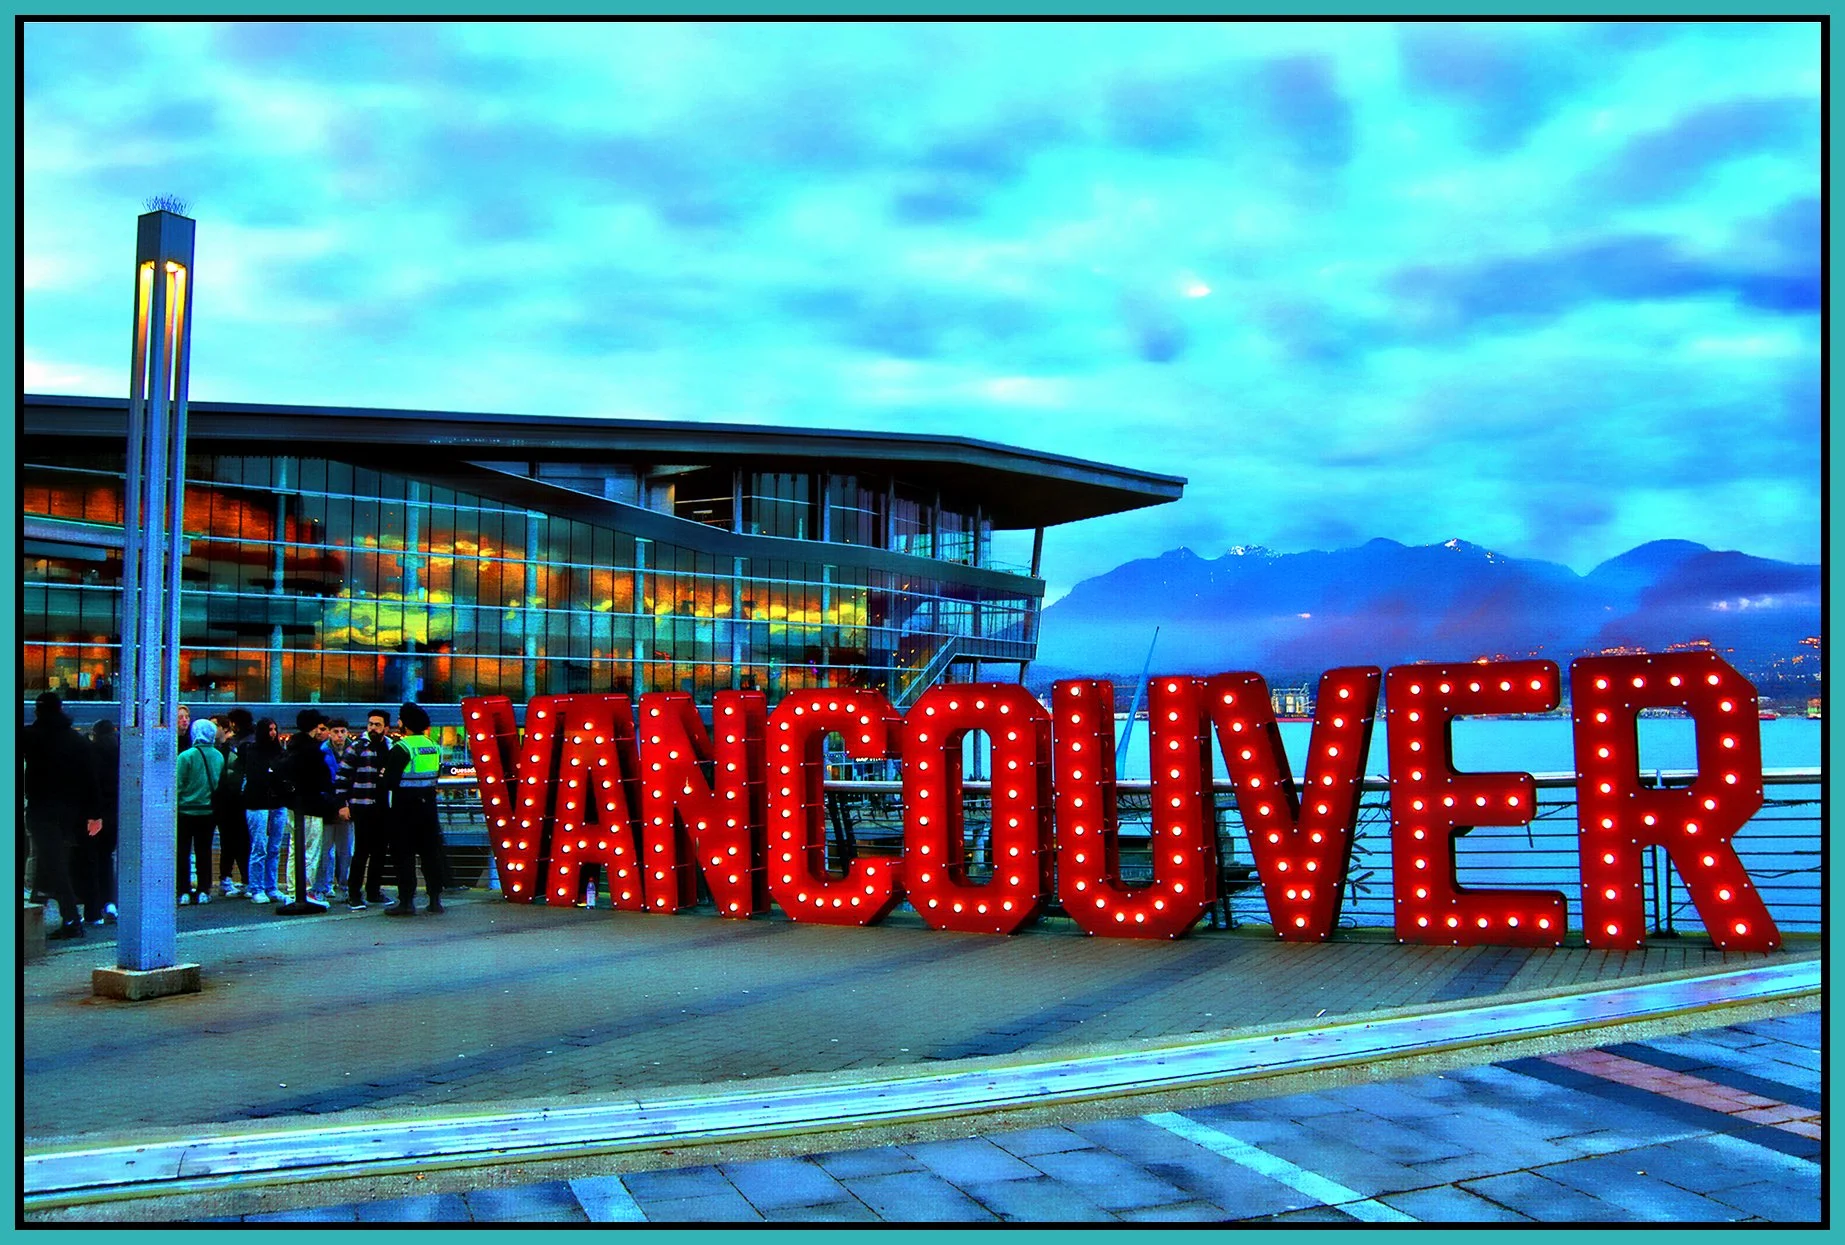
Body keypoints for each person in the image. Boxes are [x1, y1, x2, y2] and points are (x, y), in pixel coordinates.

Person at [21, 692, 102, 939]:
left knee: (52, 862)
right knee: (52, 859)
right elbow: (91, 779)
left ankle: (71, 919)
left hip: (41, 807)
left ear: (38, 710)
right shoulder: (76, 740)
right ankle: (40, 904)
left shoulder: (31, 737)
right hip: (70, 811)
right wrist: (94, 814)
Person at [380, 702, 444, 916]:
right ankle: (435, 900)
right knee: (431, 855)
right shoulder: (434, 746)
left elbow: (389, 781)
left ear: (405, 724)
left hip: (404, 810)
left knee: (404, 856)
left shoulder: (402, 748)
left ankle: (406, 902)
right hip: (428, 809)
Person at [284, 709, 344, 907]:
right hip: (311, 806)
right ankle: (305, 890)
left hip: (294, 805)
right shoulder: (312, 751)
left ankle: (293, 889)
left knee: (295, 849)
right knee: (310, 850)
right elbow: (322, 780)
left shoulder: (292, 746)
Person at [335, 710, 393, 910]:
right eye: (370, 724)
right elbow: (342, 776)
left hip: (383, 806)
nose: (373, 728)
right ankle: (354, 893)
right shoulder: (357, 748)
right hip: (362, 806)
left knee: (379, 852)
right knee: (361, 851)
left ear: (386, 727)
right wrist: (342, 804)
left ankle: (374, 891)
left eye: (377, 725)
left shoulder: (390, 746)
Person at [229, 718, 290, 905]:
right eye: (269, 729)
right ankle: (256, 887)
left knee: (274, 848)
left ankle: (271, 887)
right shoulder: (252, 751)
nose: (273, 733)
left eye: (275, 729)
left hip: (277, 803)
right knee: (259, 847)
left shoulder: (279, 751)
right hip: (257, 803)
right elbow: (257, 776)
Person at [174, 719, 225, 905]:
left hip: (186, 811)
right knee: (204, 851)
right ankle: (204, 890)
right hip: (208, 811)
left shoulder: (185, 756)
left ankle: (183, 891)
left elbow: (177, 786)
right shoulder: (218, 756)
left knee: (183, 852)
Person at [78, 719, 120, 925]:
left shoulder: (92, 754)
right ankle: (110, 902)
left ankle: (92, 909)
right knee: (106, 859)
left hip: (95, 815)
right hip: (115, 815)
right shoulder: (122, 752)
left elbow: (89, 786)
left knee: (91, 860)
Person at [214, 708, 254, 897]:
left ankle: (229, 877)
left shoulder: (234, 745)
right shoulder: (248, 741)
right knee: (242, 841)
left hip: (230, 799)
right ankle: (245, 878)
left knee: (230, 840)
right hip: (240, 799)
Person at [316, 718, 354, 900]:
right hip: (329, 806)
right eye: (336, 731)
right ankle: (326, 884)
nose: (339, 735)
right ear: (330, 733)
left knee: (345, 849)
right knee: (327, 849)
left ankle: (345, 883)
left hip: (347, 805)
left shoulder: (353, 751)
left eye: (342, 731)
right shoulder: (322, 752)